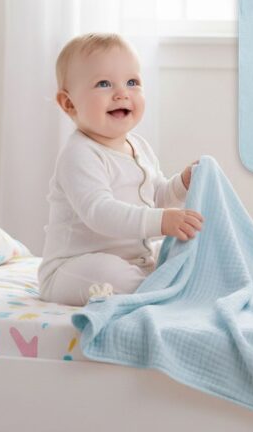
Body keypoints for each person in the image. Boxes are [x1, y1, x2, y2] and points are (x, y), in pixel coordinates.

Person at [37, 32, 204, 306]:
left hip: (136, 261)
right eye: (104, 84)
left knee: (185, 249)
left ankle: (166, 284)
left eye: (132, 82)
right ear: (69, 103)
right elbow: (100, 213)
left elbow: (156, 197)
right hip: (72, 269)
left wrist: (181, 185)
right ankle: (164, 292)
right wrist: (162, 221)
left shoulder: (138, 146)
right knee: (108, 274)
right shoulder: (79, 154)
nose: (122, 93)